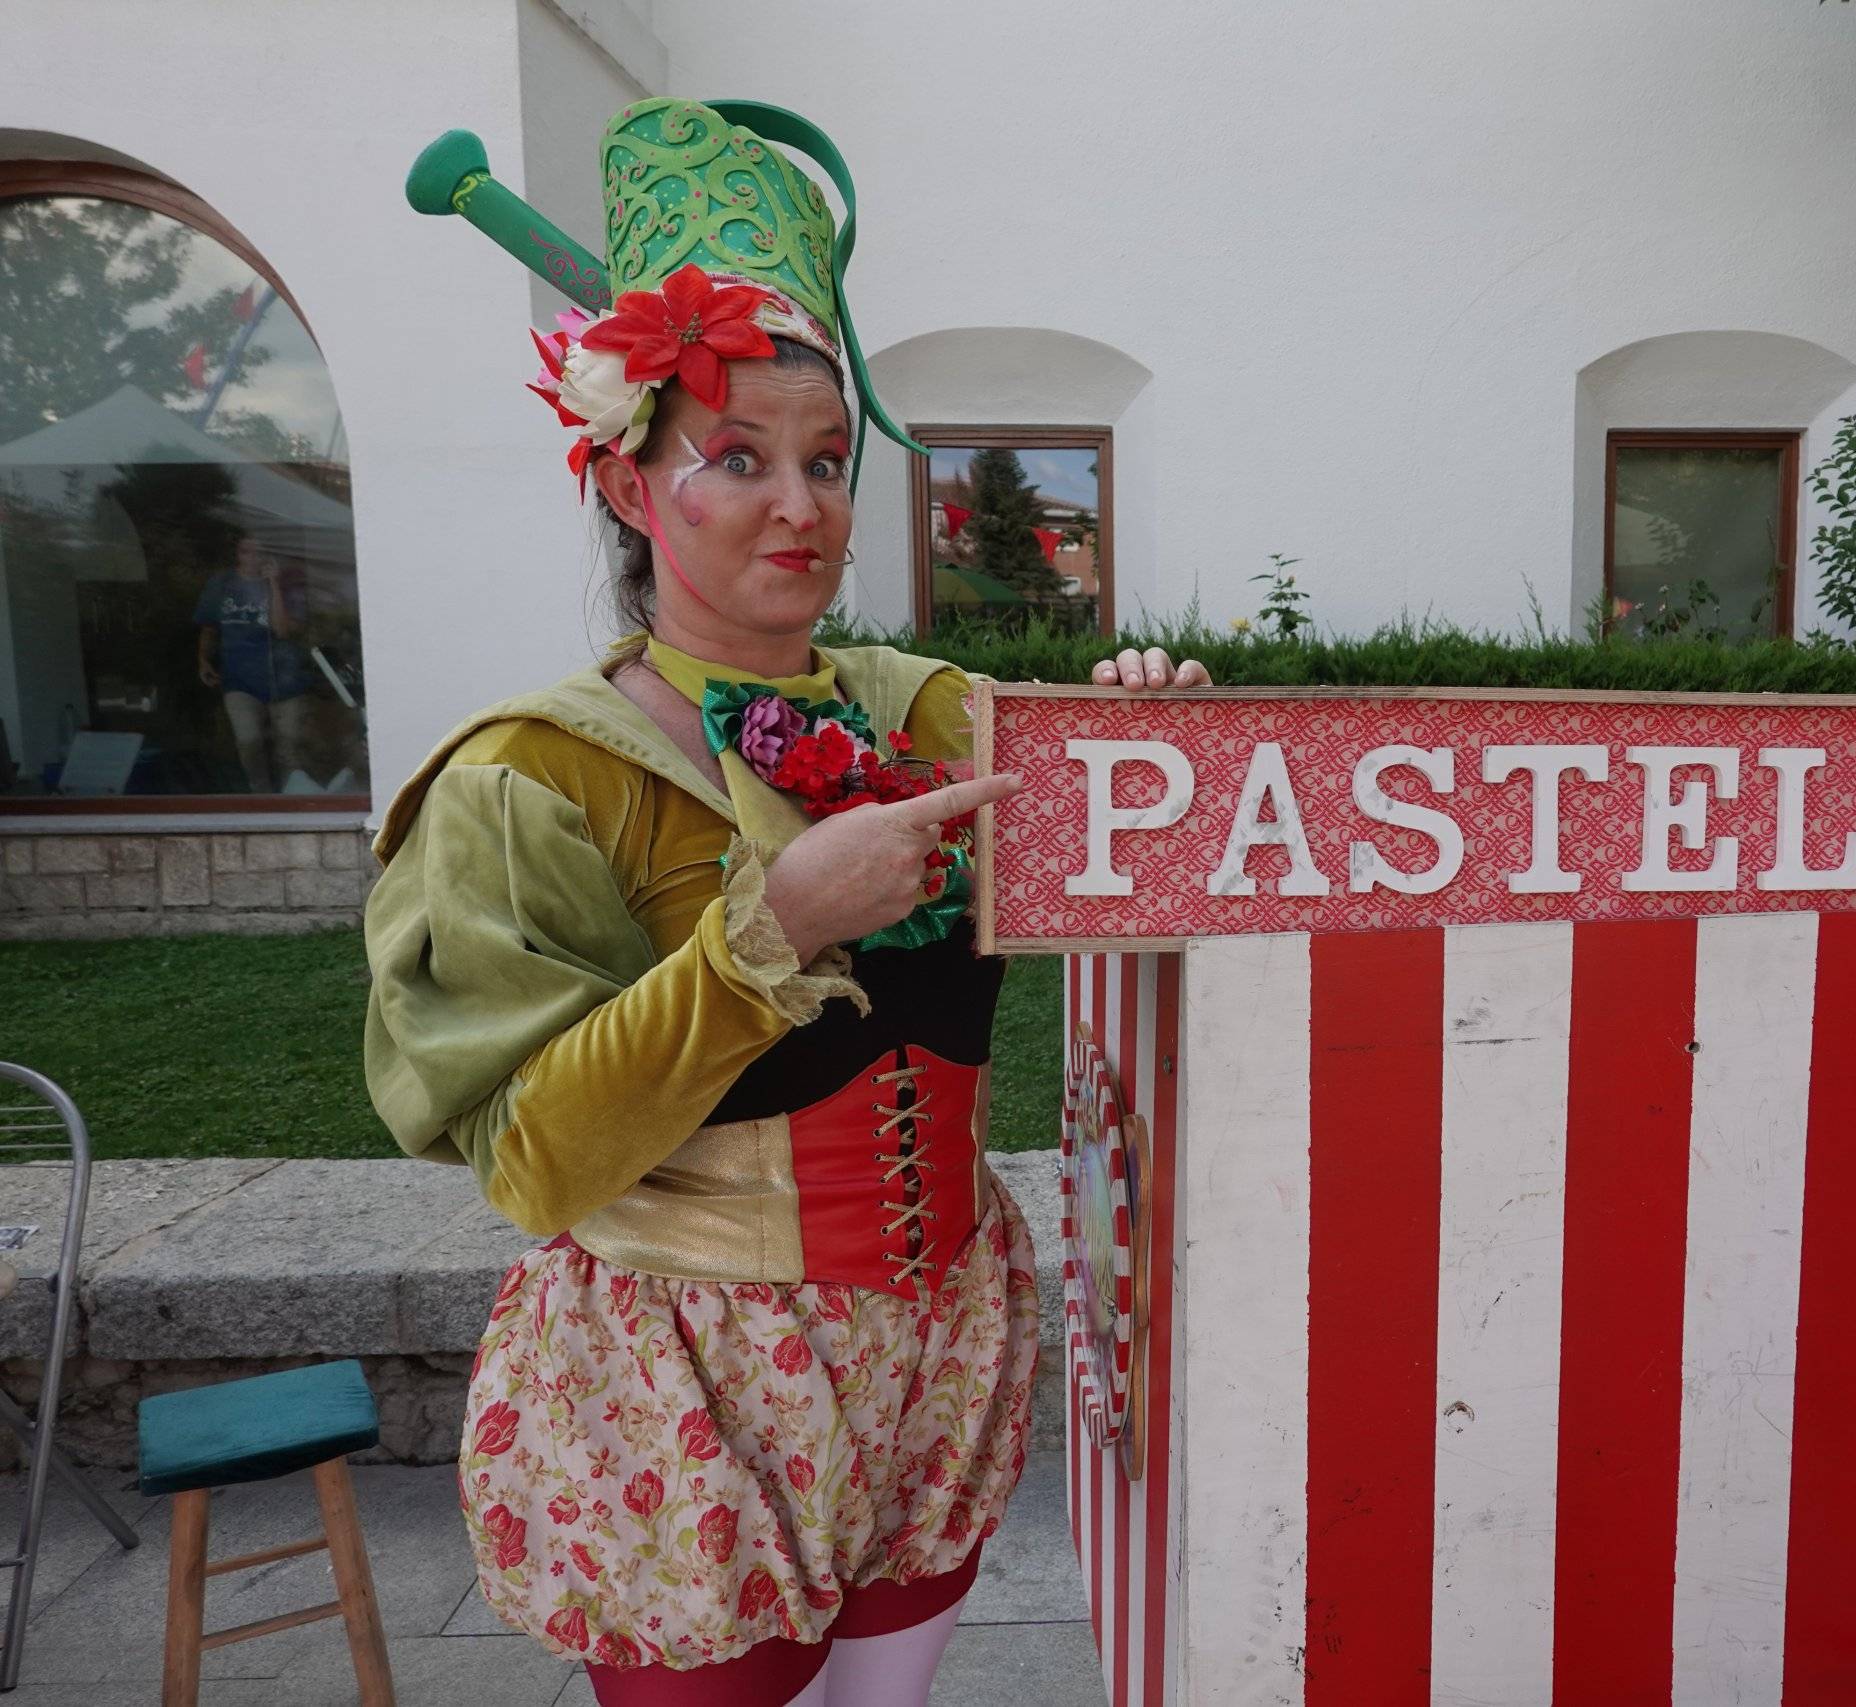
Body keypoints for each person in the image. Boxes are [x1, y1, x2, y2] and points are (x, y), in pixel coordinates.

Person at [363, 97, 1206, 1707]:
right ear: (627, 484)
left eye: (826, 458)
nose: (800, 506)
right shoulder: (528, 777)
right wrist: (767, 935)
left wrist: (1156, 729)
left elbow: (1125, 824)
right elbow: (535, 1161)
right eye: (735, 458)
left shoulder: (923, 703)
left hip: (937, 1343)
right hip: (692, 1378)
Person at [194, 531, 310, 792]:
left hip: (284, 680)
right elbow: (209, 628)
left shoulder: (287, 583)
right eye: (247, 551)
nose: (253, 558)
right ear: (237, 554)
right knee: (248, 741)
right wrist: (203, 660)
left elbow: (282, 630)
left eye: (259, 552)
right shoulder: (222, 585)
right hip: (239, 679)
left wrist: (274, 585)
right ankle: (262, 797)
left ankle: (292, 803)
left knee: (288, 749)